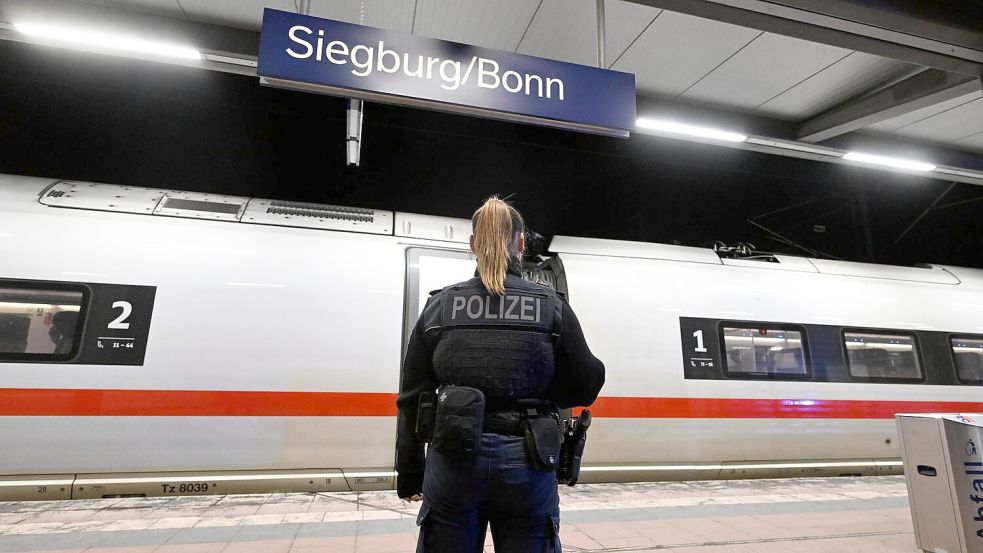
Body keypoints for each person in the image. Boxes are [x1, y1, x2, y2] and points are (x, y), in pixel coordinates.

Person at [395, 196, 605, 552]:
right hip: (527, 459)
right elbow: (586, 384)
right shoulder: (549, 305)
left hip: (453, 459)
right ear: (521, 243)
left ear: (473, 244)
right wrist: (539, 385)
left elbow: (412, 395)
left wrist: (410, 472)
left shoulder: (441, 305)